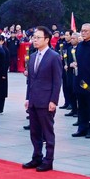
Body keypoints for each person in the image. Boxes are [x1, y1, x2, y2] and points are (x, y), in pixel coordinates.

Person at [22, 26, 62, 171]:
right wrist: (28, 98)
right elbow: (31, 81)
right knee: (34, 132)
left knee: (47, 132)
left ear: (47, 39)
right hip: (33, 100)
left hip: (46, 100)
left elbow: (57, 81)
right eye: (34, 37)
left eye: (38, 37)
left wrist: (53, 101)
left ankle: (48, 159)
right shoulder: (32, 56)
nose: (35, 40)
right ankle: (36, 157)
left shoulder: (54, 56)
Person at [72, 23, 90, 138]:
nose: (84, 33)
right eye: (82, 31)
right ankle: (82, 128)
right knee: (81, 106)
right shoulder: (80, 45)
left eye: (86, 31)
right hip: (80, 80)